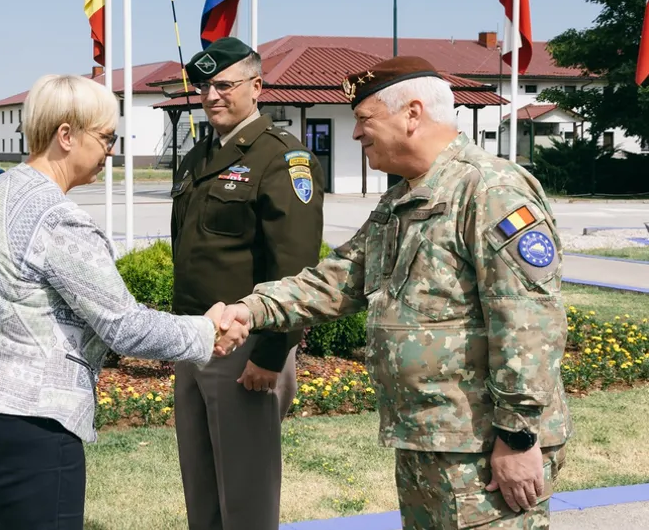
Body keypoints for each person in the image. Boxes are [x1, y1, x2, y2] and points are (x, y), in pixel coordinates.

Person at [216, 56, 572, 530]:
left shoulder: (489, 189)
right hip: (430, 437)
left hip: (486, 446)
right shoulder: (403, 198)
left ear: (412, 113)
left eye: (364, 119)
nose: (355, 134)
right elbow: (340, 278)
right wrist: (252, 309)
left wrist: (519, 438)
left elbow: (529, 323)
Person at [0, 73, 250, 530]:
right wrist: (208, 332)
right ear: (66, 135)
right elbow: (124, 325)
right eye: (106, 137)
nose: (111, 150)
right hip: (26, 426)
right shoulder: (59, 220)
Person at [169, 36, 325, 530]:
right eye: (204, 87)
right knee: (201, 484)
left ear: (257, 86)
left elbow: (295, 268)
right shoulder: (198, 158)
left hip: (244, 349)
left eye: (225, 85)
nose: (212, 95)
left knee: (246, 492)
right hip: (193, 341)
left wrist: (271, 354)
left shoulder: (281, 159)